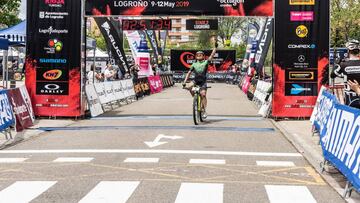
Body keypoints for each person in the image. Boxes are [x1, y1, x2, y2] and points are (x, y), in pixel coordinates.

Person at [182, 41, 218, 119]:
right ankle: (195, 98)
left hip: (203, 82)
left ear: (203, 56)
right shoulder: (194, 64)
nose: (199, 56)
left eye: (200, 55)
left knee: (203, 95)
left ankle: (204, 110)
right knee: (188, 87)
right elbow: (188, 73)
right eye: (197, 55)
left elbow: (211, 55)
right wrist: (184, 82)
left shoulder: (206, 62)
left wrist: (215, 48)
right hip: (195, 81)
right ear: (196, 57)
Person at [331, 39, 360, 108]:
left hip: (350, 98)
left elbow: (332, 75)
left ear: (348, 51)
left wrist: (336, 64)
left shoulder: (343, 64)